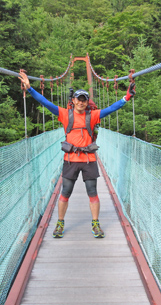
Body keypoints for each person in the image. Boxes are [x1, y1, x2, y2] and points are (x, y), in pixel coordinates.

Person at [19, 72, 135, 238]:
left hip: (89, 160)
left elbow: (111, 108)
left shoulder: (93, 116)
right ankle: (60, 223)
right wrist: (30, 89)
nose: (81, 102)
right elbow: (45, 102)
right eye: (78, 99)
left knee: (92, 191)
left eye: (84, 99)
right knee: (65, 191)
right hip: (70, 159)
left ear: (87, 102)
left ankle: (95, 224)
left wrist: (127, 97)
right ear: (73, 100)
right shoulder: (65, 115)